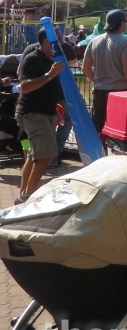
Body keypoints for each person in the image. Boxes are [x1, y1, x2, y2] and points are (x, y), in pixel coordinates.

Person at [14, 29, 65, 203]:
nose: (61, 42)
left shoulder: (52, 60)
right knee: (46, 155)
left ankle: (22, 196)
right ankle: (29, 196)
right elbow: (25, 87)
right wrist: (49, 74)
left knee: (35, 156)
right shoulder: (32, 59)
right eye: (57, 39)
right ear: (45, 41)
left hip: (46, 112)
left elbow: (50, 89)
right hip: (32, 113)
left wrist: (56, 109)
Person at [83, 9, 127, 133]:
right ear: (122, 23)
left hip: (99, 91)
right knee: (118, 130)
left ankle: (99, 152)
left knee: (98, 130)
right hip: (121, 92)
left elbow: (85, 67)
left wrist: (96, 80)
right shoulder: (125, 42)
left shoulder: (94, 41)